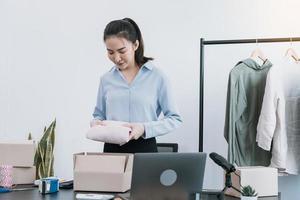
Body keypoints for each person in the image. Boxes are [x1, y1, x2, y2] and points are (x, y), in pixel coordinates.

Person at [91, 18, 182, 153]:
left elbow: (174, 119)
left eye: (122, 51)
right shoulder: (106, 79)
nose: (116, 58)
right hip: (112, 151)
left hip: (145, 149)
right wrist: (96, 123)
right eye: (110, 52)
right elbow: (99, 115)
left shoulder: (157, 77)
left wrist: (144, 128)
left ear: (135, 45)